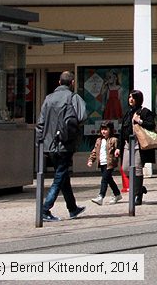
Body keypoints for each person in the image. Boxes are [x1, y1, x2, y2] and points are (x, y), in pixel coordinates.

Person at [36, 71, 88, 222]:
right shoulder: (73, 97)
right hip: (65, 143)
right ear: (72, 83)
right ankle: (45, 209)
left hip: (49, 144)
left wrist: (40, 143)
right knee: (59, 176)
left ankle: (72, 208)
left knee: (63, 175)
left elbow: (41, 123)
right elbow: (82, 116)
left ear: (59, 82)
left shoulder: (48, 99)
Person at [120, 89, 157, 206]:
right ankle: (139, 188)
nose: (130, 99)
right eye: (130, 97)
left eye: (133, 97)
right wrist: (118, 147)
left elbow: (151, 125)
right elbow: (122, 131)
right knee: (125, 168)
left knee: (137, 169)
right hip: (127, 144)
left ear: (138, 99)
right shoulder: (128, 113)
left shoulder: (145, 112)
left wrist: (139, 121)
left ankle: (138, 195)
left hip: (139, 145)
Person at [87, 121, 122, 205]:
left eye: (106, 129)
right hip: (102, 162)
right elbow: (95, 151)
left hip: (109, 163)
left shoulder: (114, 140)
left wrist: (118, 151)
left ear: (110, 130)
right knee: (109, 179)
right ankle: (117, 194)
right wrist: (91, 159)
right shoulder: (99, 140)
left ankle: (101, 196)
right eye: (102, 129)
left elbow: (118, 148)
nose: (103, 131)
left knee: (104, 180)